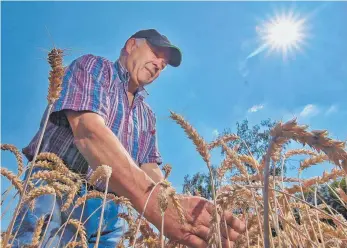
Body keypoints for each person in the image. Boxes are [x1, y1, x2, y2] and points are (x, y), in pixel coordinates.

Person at [14, 29, 245, 247]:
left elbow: (149, 167)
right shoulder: (95, 68)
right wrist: (154, 204)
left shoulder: (147, 116)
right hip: (57, 184)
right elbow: (88, 132)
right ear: (131, 45)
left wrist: (173, 203)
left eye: (163, 65)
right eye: (156, 54)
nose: (159, 65)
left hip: (111, 206)